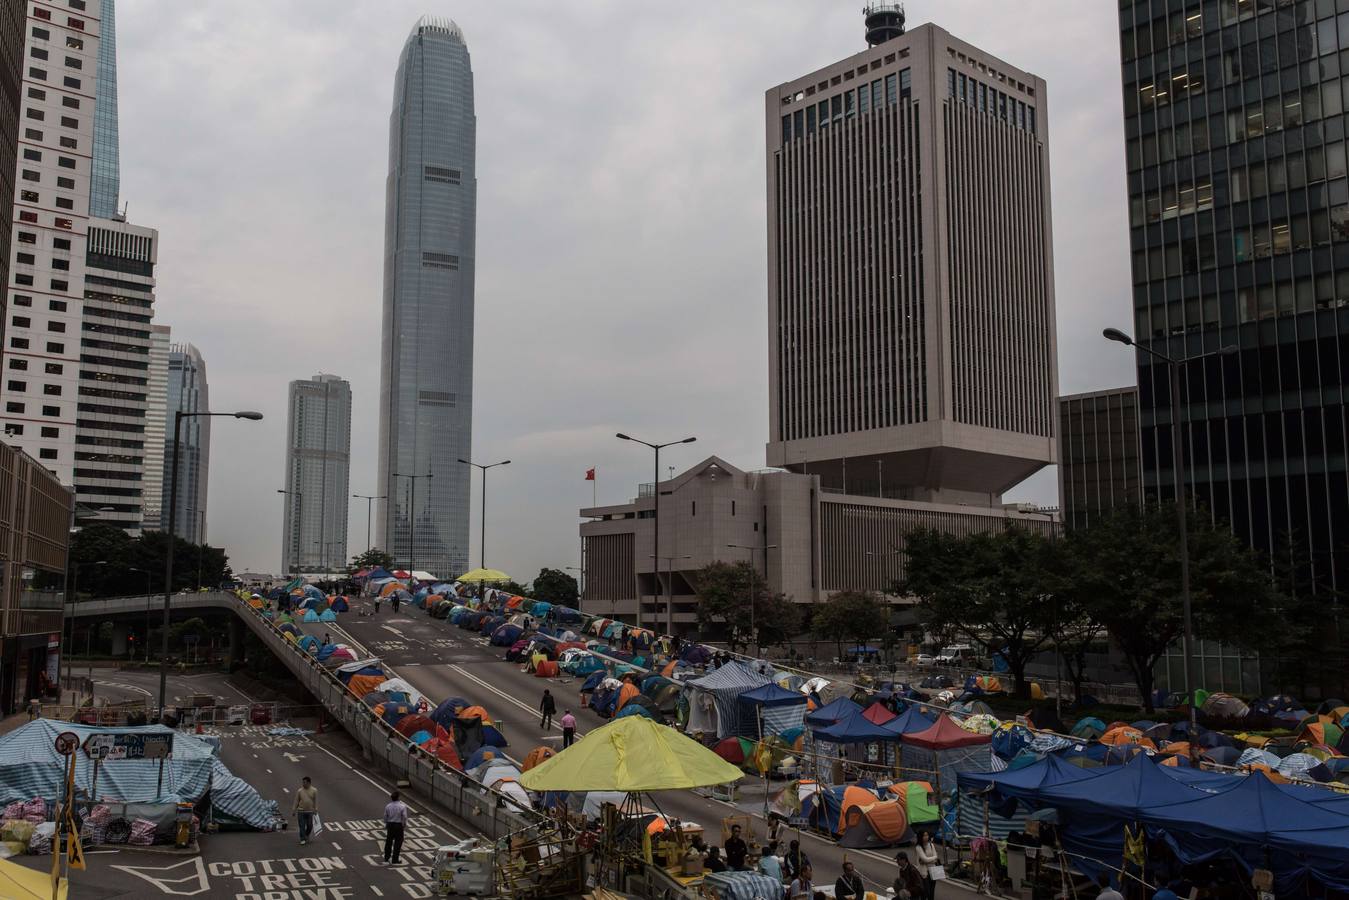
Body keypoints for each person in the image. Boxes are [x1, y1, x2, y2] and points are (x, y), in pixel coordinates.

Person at [383, 789, 409, 865]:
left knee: (389, 841)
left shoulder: (388, 806)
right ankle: (395, 858)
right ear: (398, 798)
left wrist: (386, 823)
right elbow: (404, 816)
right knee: (398, 842)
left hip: (390, 824)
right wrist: (404, 824)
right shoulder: (402, 806)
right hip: (398, 825)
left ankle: (386, 857)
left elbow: (385, 816)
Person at [292, 776, 318, 845]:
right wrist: (294, 809)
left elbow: (315, 801)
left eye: (305, 782)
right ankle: (302, 838)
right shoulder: (300, 791)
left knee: (310, 825)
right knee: (302, 826)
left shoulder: (314, 790)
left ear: (309, 783)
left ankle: (306, 835)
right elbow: (296, 801)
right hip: (301, 811)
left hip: (310, 811)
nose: (303, 784)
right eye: (303, 782)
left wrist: (315, 809)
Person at [914, 830, 939, 900]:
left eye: (927, 835)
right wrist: (932, 859)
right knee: (925, 892)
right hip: (924, 873)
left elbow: (935, 856)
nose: (926, 837)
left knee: (932, 892)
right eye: (924, 835)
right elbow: (924, 859)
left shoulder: (931, 845)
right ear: (920, 837)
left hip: (933, 871)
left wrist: (928, 860)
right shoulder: (918, 847)